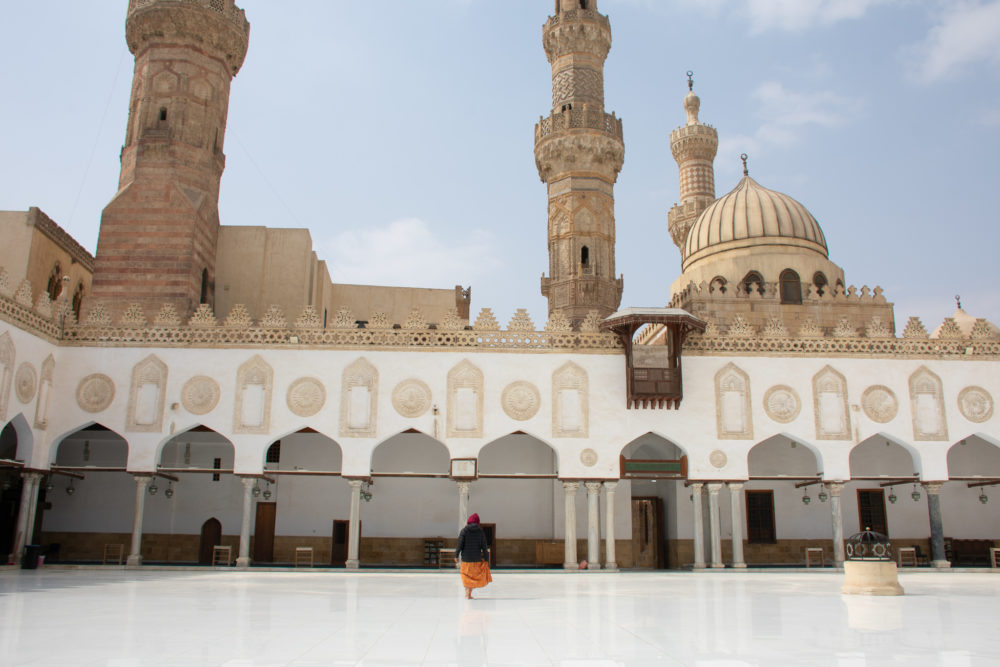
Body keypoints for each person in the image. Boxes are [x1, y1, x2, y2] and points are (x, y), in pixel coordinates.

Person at [455, 513, 492, 599]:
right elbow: (484, 547)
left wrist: (456, 555)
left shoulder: (464, 531)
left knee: (466, 576)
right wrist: (487, 559)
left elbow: (459, 544)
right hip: (476, 559)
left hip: (466, 560)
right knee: (473, 577)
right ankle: (469, 593)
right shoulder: (480, 532)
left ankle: (467, 592)